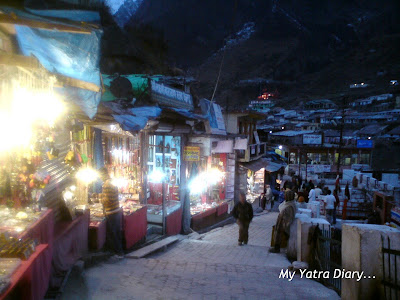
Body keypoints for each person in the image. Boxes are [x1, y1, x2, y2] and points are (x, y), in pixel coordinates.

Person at [99, 167, 124, 258]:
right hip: (116, 210)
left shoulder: (106, 185)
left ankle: (117, 253)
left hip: (111, 211)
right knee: (116, 232)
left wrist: (101, 200)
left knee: (113, 233)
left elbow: (107, 199)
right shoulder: (112, 181)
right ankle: (119, 252)